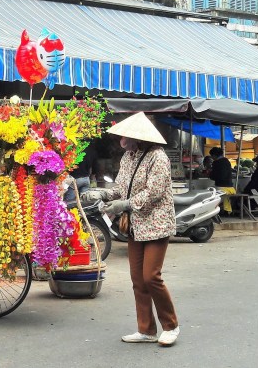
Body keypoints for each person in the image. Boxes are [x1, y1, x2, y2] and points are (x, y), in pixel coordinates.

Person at [81, 112, 179, 347]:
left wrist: (124, 205)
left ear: (139, 137)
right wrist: (102, 193)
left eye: (126, 136)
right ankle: (146, 329)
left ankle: (171, 326)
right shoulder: (128, 157)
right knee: (138, 279)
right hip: (135, 224)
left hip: (156, 223)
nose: (121, 140)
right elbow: (121, 188)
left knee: (151, 276)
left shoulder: (158, 157)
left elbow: (154, 192)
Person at [64, 142, 97, 206]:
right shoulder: (92, 151)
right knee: (84, 202)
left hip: (74, 179)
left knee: (70, 203)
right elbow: (95, 166)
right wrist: (92, 176)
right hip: (86, 179)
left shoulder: (73, 150)